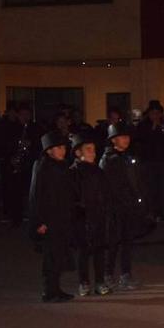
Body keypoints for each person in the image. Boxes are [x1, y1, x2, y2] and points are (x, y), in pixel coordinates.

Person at [29, 131, 76, 303]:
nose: (62, 150)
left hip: (61, 216)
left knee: (59, 254)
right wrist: (40, 221)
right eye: (58, 148)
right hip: (49, 219)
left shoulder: (62, 166)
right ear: (49, 150)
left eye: (63, 147)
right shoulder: (43, 167)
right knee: (51, 255)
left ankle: (56, 289)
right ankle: (49, 291)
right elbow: (37, 195)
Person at [100, 121, 146, 290]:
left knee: (127, 241)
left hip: (129, 206)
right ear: (113, 140)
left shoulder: (128, 157)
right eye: (121, 137)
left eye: (127, 137)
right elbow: (109, 187)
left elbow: (136, 181)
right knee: (113, 242)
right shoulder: (108, 160)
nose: (126, 140)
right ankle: (107, 274)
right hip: (115, 208)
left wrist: (139, 200)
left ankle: (125, 274)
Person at [72, 131, 114, 297]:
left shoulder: (98, 171)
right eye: (88, 149)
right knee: (83, 251)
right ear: (78, 152)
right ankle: (84, 282)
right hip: (82, 217)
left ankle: (99, 281)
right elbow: (72, 197)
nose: (93, 152)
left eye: (94, 149)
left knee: (99, 250)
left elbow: (106, 192)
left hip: (98, 216)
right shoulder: (74, 172)